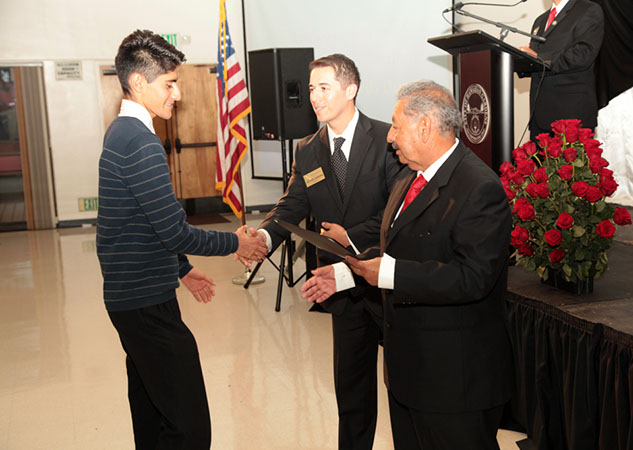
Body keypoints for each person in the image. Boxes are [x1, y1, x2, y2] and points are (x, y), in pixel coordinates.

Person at [302, 80, 514, 449]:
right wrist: (345, 274)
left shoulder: (478, 188)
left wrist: (386, 272)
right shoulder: (406, 180)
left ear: (426, 127)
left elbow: (473, 278)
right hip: (408, 375)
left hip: (453, 382)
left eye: (397, 126)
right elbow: (395, 252)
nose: (390, 137)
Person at [97, 29, 267, 449]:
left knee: (153, 411)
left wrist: (182, 270)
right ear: (138, 82)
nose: (176, 94)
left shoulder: (120, 133)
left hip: (133, 297)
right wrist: (237, 244)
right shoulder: (140, 143)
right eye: (168, 84)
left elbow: (142, 224)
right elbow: (173, 229)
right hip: (145, 304)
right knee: (188, 424)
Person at [243, 54, 402, 449]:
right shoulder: (308, 149)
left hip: (390, 284)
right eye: (311, 88)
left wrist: (352, 235)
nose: (314, 97)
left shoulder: (388, 139)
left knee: (404, 388)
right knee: (351, 393)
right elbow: (293, 205)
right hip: (340, 288)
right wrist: (263, 239)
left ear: (351, 90)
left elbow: (398, 211)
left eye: (324, 87)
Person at [518, 0, 604, 140]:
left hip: (570, 118)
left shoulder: (588, 10)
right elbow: (537, 64)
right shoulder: (540, 20)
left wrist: (539, 57)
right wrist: (517, 61)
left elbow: (583, 55)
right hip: (539, 120)